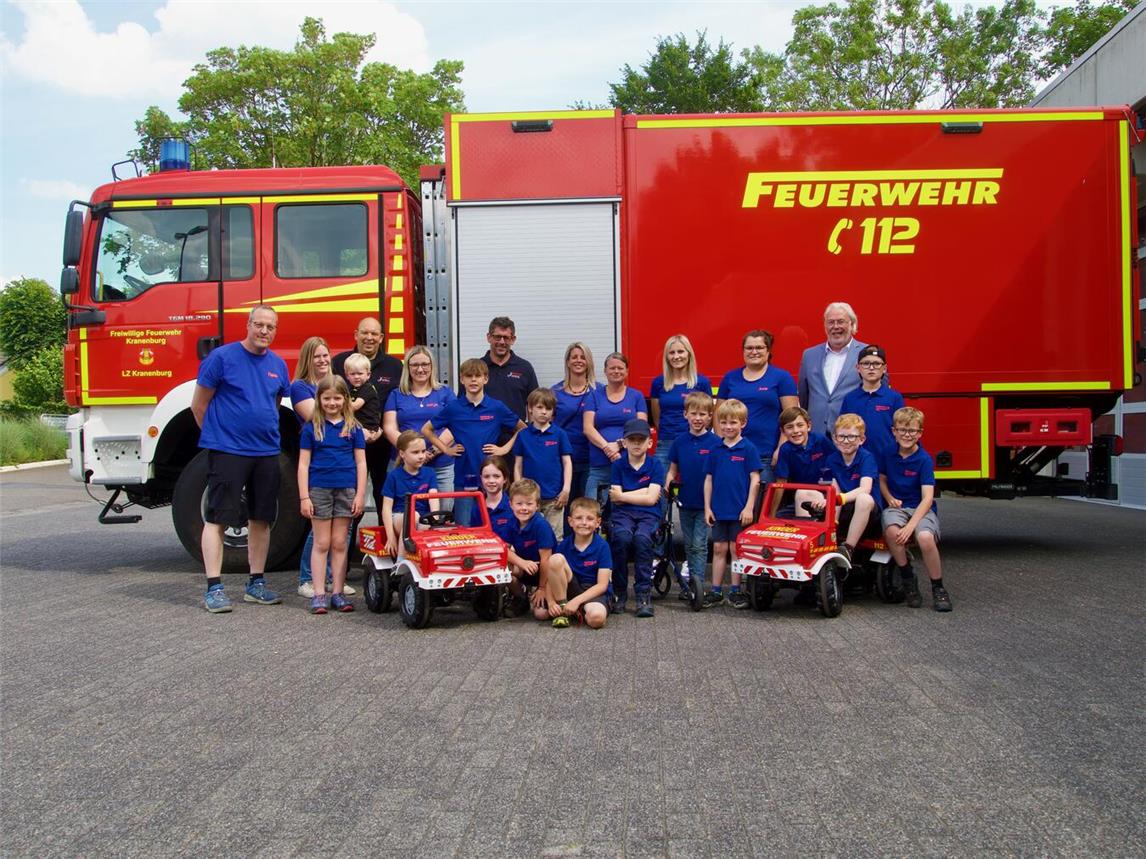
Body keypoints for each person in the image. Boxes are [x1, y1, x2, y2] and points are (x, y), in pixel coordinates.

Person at [191, 305, 289, 613]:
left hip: (266, 452)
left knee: (261, 519)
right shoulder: (221, 358)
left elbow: (272, 404)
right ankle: (214, 587)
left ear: (275, 330)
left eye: (270, 327)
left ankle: (256, 584)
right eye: (258, 324)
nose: (264, 331)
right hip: (229, 452)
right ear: (247, 325)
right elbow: (199, 405)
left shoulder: (278, 365)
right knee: (218, 518)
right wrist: (220, 440)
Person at [290, 337, 356, 598]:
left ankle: (333, 580)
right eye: (316, 356)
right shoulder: (300, 387)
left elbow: (345, 417)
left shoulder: (333, 384)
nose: (322, 360)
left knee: (340, 534)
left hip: (343, 467)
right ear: (308, 358)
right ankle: (307, 579)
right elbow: (315, 417)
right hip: (320, 465)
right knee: (321, 532)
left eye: (326, 355)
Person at [423, 358, 524, 527]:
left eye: (478, 376)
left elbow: (522, 429)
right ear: (462, 380)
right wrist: (446, 450)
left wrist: (504, 449)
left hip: (492, 480)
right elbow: (427, 429)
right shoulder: (454, 408)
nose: (473, 380)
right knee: (465, 527)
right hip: (464, 479)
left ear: (486, 379)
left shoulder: (496, 407)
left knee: (494, 526)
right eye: (469, 376)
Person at [298, 376, 367, 614]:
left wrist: (360, 495)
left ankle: (337, 592)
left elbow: (361, 463)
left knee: (340, 543)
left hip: (346, 489)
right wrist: (304, 497)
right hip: (319, 490)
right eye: (327, 398)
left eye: (337, 398)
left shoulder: (354, 427)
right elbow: (303, 465)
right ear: (319, 399)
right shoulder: (311, 427)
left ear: (345, 399)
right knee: (321, 542)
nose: (332, 402)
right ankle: (319, 593)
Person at [880, 407, 952, 612]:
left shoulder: (924, 459)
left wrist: (911, 526)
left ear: (920, 433)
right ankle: (907, 578)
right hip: (897, 507)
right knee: (893, 533)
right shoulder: (887, 452)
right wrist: (889, 498)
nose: (906, 435)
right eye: (902, 430)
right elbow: (882, 479)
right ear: (894, 431)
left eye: (912, 431)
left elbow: (928, 498)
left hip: (920, 508)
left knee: (925, 538)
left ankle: (938, 587)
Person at [331, 317, 403, 507]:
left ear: (381, 338)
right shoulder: (339, 363)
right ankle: (349, 536)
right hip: (347, 443)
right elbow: (329, 399)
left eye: (374, 334)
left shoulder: (395, 366)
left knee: (384, 495)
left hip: (382, 443)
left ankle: (386, 535)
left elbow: (401, 403)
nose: (369, 338)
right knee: (350, 496)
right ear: (356, 335)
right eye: (364, 333)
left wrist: (382, 431)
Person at [717, 330, 798, 482]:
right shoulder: (730, 378)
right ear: (743, 351)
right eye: (749, 348)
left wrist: (781, 448)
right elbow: (718, 415)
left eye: (759, 348)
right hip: (733, 453)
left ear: (768, 351)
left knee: (761, 503)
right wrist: (722, 445)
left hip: (765, 455)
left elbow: (791, 417)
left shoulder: (782, 377)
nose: (754, 352)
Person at [704, 399, 762, 609]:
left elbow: (755, 479)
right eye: (724, 422)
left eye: (733, 423)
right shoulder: (715, 448)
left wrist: (749, 507)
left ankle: (737, 590)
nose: (728, 427)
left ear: (743, 423)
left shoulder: (748, 448)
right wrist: (708, 507)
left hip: (739, 510)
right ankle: (716, 590)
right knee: (719, 548)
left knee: (737, 548)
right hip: (719, 509)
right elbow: (709, 479)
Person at [607, 418, 665, 618]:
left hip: (649, 515)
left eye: (641, 439)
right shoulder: (618, 465)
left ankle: (643, 594)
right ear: (624, 442)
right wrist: (643, 492)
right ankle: (620, 593)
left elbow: (650, 500)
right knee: (621, 538)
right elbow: (618, 499)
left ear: (650, 442)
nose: (637, 443)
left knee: (642, 539)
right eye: (632, 439)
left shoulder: (656, 464)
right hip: (622, 515)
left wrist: (624, 496)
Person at [665, 391, 717, 605]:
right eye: (693, 413)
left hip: (705, 505)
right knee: (688, 543)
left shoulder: (715, 443)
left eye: (703, 414)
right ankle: (689, 585)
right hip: (685, 502)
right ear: (685, 414)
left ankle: (697, 584)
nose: (698, 418)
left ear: (710, 417)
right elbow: (672, 469)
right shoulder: (680, 442)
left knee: (700, 544)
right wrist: (667, 481)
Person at [383, 345, 456, 496]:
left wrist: (431, 451)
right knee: (404, 514)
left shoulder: (445, 393)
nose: (420, 369)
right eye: (415, 365)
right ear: (407, 368)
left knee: (441, 515)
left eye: (425, 364)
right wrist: (412, 452)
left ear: (432, 366)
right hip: (403, 466)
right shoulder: (396, 395)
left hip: (441, 465)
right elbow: (389, 428)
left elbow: (455, 426)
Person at [583, 352, 648, 505]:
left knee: (624, 513)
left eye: (620, 368)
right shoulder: (593, 396)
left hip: (630, 463)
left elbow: (642, 428)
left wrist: (618, 444)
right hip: (599, 466)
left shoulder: (636, 396)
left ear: (627, 372)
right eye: (612, 368)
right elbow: (587, 428)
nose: (616, 371)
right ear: (605, 371)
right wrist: (608, 448)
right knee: (591, 510)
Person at [797, 302, 868, 437]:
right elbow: (803, 395)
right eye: (831, 322)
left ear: (852, 324)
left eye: (841, 322)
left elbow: (877, 392)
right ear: (825, 326)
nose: (836, 327)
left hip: (851, 435)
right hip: (817, 434)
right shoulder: (809, 355)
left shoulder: (866, 353)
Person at [819, 413, 880, 562]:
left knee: (864, 498)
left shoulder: (866, 458)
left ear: (861, 439)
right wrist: (832, 517)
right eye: (842, 436)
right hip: (843, 510)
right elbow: (834, 489)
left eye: (852, 437)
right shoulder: (831, 459)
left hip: (867, 513)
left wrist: (840, 499)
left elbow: (865, 488)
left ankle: (848, 548)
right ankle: (829, 539)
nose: (846, 441)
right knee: (805, 494)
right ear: (834, 438)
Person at [544, 497, 612, 630]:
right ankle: (564, 608)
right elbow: (550, 578)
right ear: (570, 521)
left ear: (598, 522)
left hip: (593, 592)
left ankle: (577, 610)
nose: (584, 523)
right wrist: (551, 602)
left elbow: (602, 585)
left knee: (596, 619)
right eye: (579, 518)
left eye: (590, 519)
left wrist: (577, 601)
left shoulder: (603, 546)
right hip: (569, 589)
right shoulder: (564, 545)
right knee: (555, 559)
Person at [513, 387, 572, 536]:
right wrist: (518, 490)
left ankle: (553, 560)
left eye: (548, 408)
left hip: (554, 497)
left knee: (555, 536)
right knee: (529, 534)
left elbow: (567, 463)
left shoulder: (559, 434)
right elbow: (518, 465)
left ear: (553, 412)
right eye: (539, 407)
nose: (544, 412)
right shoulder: (523, 435)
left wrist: (566, 489)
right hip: (529, 499)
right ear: (530, 409)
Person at [649, 334, 711, 472]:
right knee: (660, 487)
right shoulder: (659, 383)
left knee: (694, 484)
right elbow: (657, 418)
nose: (676, 356)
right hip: (666, 442)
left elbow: (707, 416)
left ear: (689, 354)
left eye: (680, 351)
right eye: (672, 352)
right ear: (666, 357)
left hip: (694, 441)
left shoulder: (701, 382)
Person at [551, 342, 601, 511]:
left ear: (589, 362)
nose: (578, 361)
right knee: (563, 508)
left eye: (582, 357)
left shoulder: (599, 391)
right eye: (574, 357)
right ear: (567, 361)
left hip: (591, 460)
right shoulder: (555, 392)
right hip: (563, 460)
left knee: (588, 509)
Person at [840, 344, 904, 467]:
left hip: (887, 462)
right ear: (858, 368)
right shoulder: (850, 399)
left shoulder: (894, 398)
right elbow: (843, 431)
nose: (871, 368)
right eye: (866, 363)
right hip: (857, 462)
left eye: (876, 364)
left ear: (884, 368)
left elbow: (901, 431)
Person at [504, 478, 558, 620]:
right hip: (527, 567)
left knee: (541, 615)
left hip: (546, 573)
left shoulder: (541, 525)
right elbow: (504, 549)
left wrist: (542, 588)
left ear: (537, 505)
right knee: (502, 569)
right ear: (511, 504)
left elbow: (546, 560)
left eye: (529, 504)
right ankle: (521, 596)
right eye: (519, 503)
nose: (524, 508)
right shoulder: (511, 522)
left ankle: (542, 593)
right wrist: (521, 562)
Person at [379, 430, 439, 557]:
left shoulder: (430, 473)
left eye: (423, 451)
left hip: (423, 519)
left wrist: (436, 519)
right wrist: (390, 537)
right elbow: (386, 508)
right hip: (399, 517)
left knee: (431, 525)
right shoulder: (393, 476)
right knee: (413, 515)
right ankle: (401, 563)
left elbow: (433, 498)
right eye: (415, 452)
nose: (421, 456)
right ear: (402, 454)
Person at [775, 405, 837, 515]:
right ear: (783, 431)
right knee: (780, 516)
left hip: (824, 495)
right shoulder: (785, 450)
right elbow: (781, 482)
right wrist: (772, 514)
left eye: (800, 425)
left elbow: (835, 466)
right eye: (790, 427)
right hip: (799, 497)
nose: (796, 431)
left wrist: (830, 496)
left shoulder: (820, 440)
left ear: (808, 426)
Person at [480, 316, 538, 421]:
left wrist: (532, 435)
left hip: (516, 435)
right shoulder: (476, 368)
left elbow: (534, 406)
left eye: (506, 338)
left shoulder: (525, 368)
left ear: (513, 339)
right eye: (497, 337)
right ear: (489, 337)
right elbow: (463, 405)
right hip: (483, 435)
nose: (502, 342)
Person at [465, 455, 516, 542]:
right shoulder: (477, 508)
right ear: (481, 479)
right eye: (486, 477)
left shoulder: (513, 507)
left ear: (505, 479)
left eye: (496, 476)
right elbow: (475, 538)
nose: (491, 481)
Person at [343, 353, 383, 443]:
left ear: (368, 374)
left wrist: (338, 407)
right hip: (356, 425)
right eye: (352, 374)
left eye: (360, 373)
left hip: (368, 428)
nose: (356, 377)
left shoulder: (367, 388)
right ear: (347, 376)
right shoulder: (350, 389)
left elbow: (355, 406)